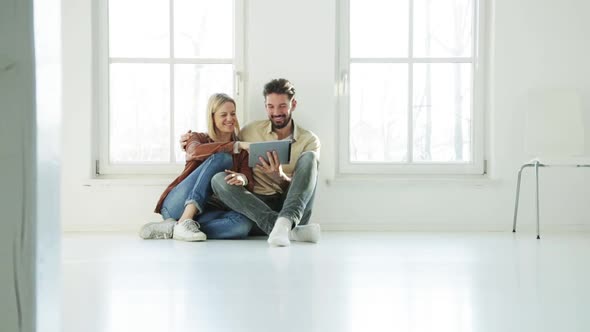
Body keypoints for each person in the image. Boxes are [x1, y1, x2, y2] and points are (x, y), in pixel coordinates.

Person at [210, 78, 321, 247]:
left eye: (282, 106)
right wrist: (192, 141)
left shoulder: (309, 140)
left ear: (293, 104)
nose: (276, 112)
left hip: (291, 206)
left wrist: (280, 176)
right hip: (255, 206)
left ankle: (285, 223)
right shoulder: (250, 131)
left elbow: (305, 186)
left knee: (310, 158)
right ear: (265, 106)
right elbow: (225, 145)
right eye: (271, 106)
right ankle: (288, 230)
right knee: (218, 179)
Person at [139, 93, 254, 241]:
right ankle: (185, 219)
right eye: (223, 115)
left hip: (208, 210)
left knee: (243, 225)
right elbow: (194, 151)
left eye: (233, 113)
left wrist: (242, 178)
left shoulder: (242, 151)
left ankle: (175, 228)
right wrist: (235, 146)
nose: (230, 119)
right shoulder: (197, 138)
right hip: (177, 205)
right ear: (212, 117)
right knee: (222, 158)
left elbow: (248, 178)